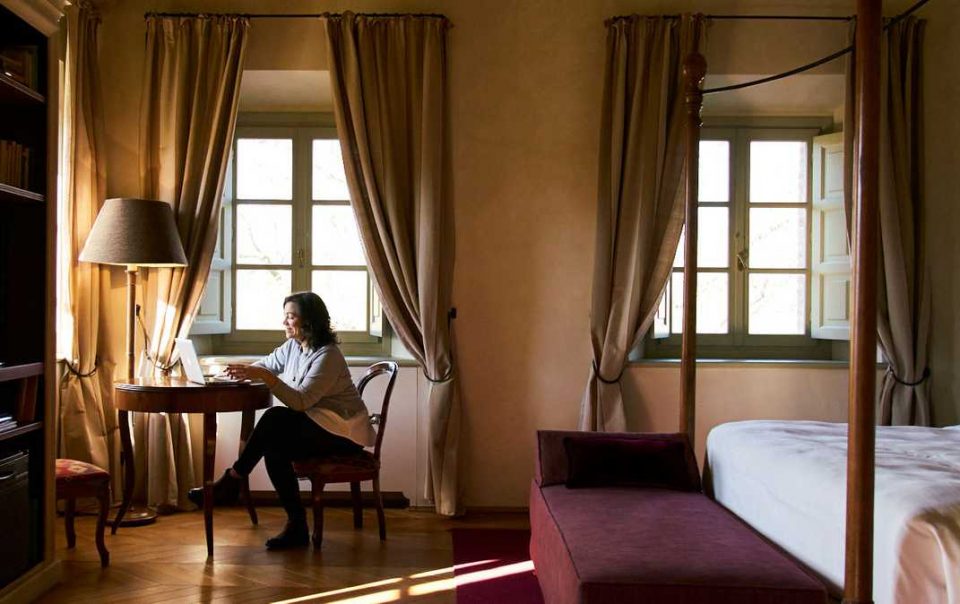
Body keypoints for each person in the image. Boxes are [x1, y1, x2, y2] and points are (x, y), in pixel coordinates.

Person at [187, 292, 376, 550]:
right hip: (320, 425)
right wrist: (237, 373)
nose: (284, 322)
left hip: (344, 434)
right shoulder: (293, 347)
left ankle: (234, 480)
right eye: (285, 316)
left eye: (290, 316)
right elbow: (265, 365)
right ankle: (296, 525)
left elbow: (300, 402)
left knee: (275, 417)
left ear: (309, 321)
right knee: (274, 447)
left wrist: (265, 376)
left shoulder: (328, 356)